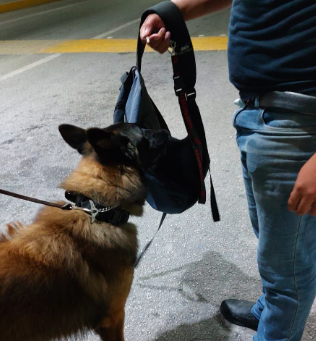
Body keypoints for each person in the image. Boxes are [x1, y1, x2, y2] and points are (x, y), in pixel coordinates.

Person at [140, 1, 316, 340]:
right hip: (258, 113)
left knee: (291, 274)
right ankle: (270, 307)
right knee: (272, 242)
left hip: (298, 124)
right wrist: (173, 11)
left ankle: (278, 317)